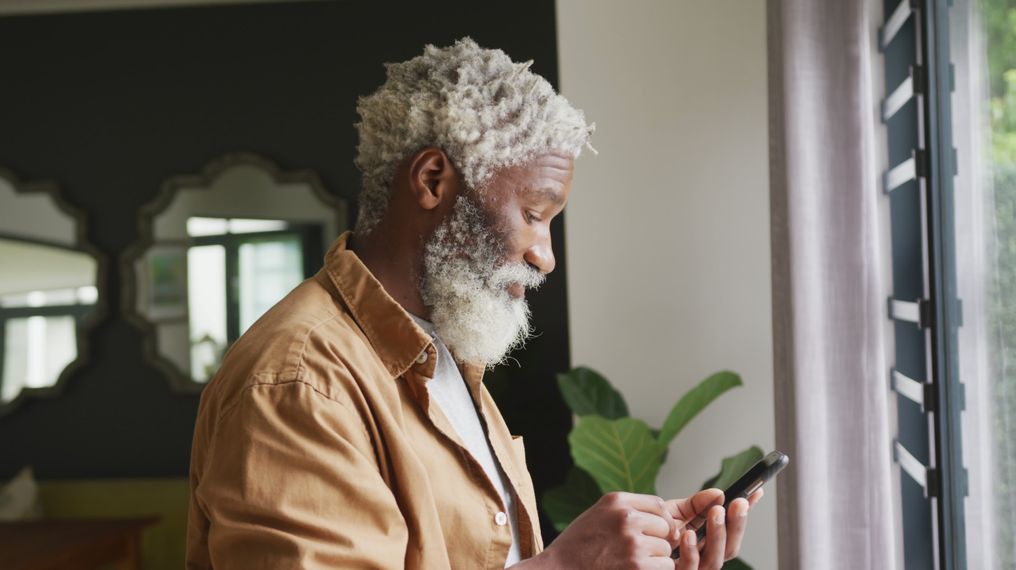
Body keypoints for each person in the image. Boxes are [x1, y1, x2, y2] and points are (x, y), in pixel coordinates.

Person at [186, 38, 761, 569]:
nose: (545, 256)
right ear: (433, 180)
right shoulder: (300, 382)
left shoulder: (445, 355)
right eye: (533, 214)